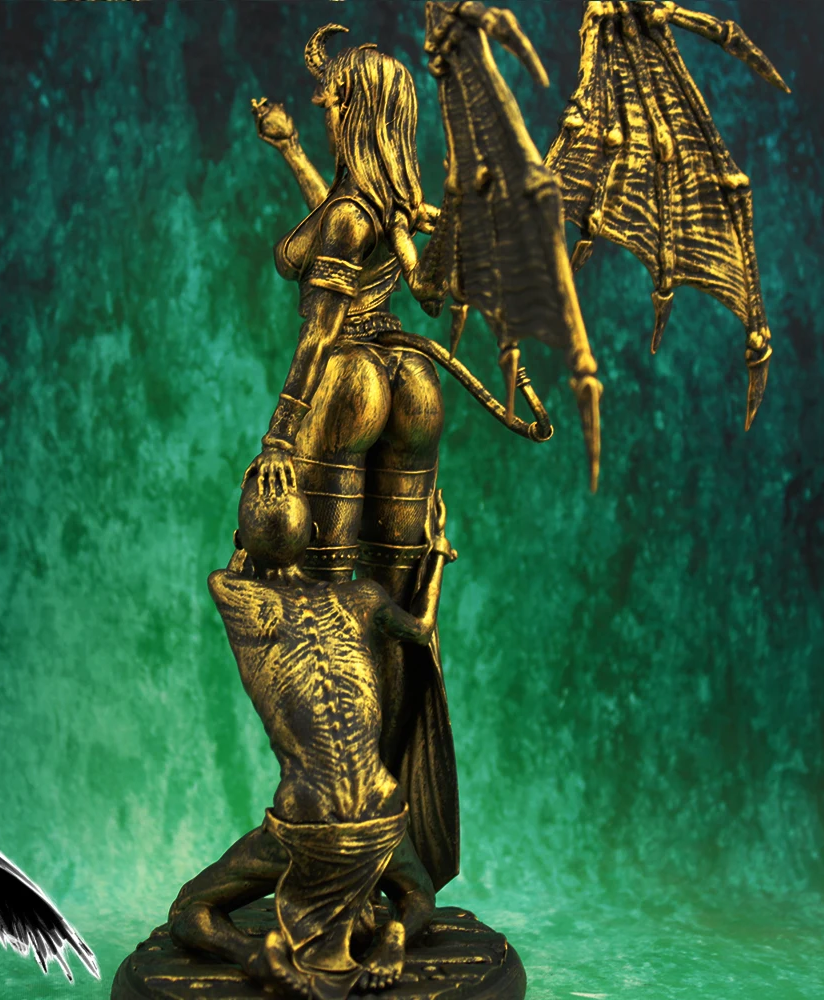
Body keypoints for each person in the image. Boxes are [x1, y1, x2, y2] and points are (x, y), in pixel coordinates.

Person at [245, 23, 461, 893]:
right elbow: (347, 225)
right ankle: (391, 832)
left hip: (347, 384)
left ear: (360, 113)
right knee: (396, 605)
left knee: (327, 608)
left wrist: (279, 436)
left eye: (332, 103)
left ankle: (343, 828)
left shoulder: (350, 213)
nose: (320, 112)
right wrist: (290, 151)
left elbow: (322, 327)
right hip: (410, 382)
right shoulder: (386, 204)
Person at [168, 469, 456, 1000]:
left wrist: (261, 495)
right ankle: (394, 936)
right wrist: (436, 552)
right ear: (318, 535)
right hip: (380, 810)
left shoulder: (231, 591)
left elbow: (239, 564)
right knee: (418, 898)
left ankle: (255, 956)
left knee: (189, 909)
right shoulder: (363, 597)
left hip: (308, 821)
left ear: (240, 542)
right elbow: (420, 628)